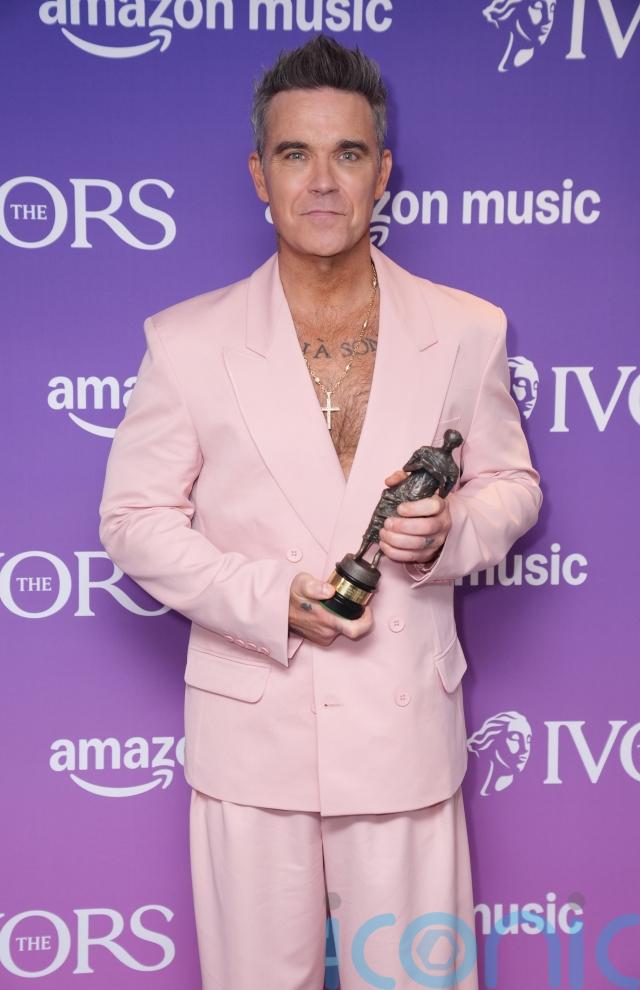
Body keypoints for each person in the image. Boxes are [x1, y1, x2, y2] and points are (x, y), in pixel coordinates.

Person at [99, 35, 542, 990]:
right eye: (295, 153)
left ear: (383, 171)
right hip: (253, 728)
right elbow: (134, 517)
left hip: (402, 726)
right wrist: (267, 599)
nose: (324, 182)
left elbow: (511, 484)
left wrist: (450, 534)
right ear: (260, 175)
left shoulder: (468, 328)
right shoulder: (186, 341)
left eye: (348, 153)